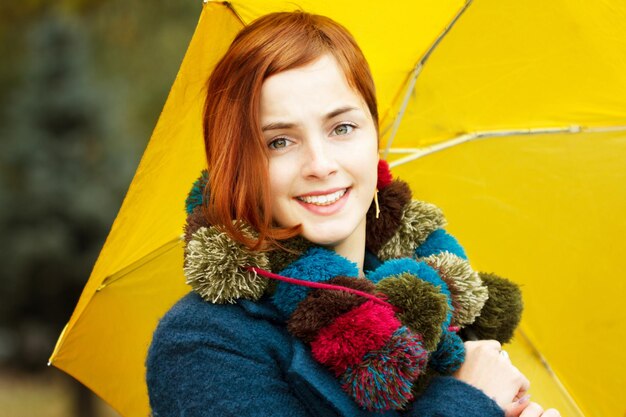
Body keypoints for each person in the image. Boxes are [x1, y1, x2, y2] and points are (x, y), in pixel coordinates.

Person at [146, 11, 560, 417]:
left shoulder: (433, 306)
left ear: (374, 136)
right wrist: (470, 401)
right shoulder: (204, 342)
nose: (320, 164)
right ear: (237, 166)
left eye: (341, 128)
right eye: (279, 141)